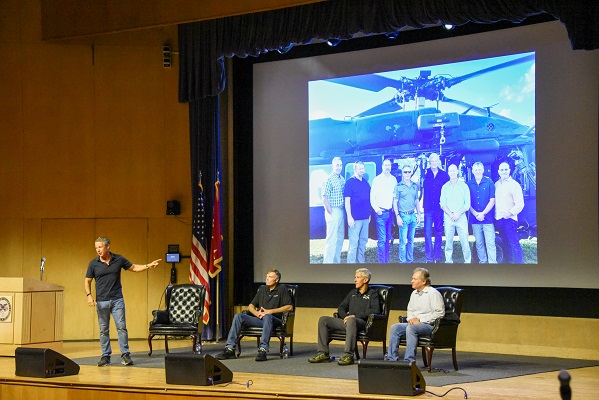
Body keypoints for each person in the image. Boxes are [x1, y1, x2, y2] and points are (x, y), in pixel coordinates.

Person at [84, 237, 161, 367]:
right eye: (96, 247)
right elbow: (87, 280)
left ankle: (125, 355)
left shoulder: (118, 259)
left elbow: (134, 268)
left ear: (108, 247)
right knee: (104, 330)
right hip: (101, 301)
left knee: (121, 327)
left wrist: (148, 265)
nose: (98, 250)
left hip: (117, 300)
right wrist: (89, 295)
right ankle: (105, 356)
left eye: (100, 247)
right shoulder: (93, 264)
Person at [215, 269, 293, 362]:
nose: (267, 279)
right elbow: (251, 306)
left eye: (270, 277)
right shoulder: (262, 289)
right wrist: (257, 313)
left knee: (267, 317)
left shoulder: (282, 288)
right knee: (238, 316)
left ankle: (263, 350)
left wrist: (270, 312)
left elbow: (289, 307)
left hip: (275, 320)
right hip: (260, 319)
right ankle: (230, 349)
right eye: (267, 276)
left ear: (276, 280)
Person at [308, 268, 380, 366]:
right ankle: (323, 353)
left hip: (362, 323)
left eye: (358, 277)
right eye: (355, 277)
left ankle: (348, 355)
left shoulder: (372, 294)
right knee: (323, 320)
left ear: (365, 280)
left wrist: (354, 316)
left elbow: (375, 310)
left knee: (351, 320)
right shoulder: (353, 293)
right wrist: (346, 316)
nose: (355, 280)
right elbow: (341, 307)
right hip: (348, 322)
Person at [387, 268, 445, 362]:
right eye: (412, 278)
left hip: (429, 325)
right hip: (414, 323)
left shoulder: (433, 293)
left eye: (414, 279)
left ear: (423, 281)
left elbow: (439, 313)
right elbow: (410, 310)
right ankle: (392, 359)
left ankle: (409, 361)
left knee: (411, 328)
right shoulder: (414, 293)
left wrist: (420, 320)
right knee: (395, 327)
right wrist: (410, 319)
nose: (412, 281)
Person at [440, 164, 471, 263]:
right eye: (450, 171)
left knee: (465, 242)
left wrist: (458, 213)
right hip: (449, 218)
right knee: (448, 243)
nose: (452, 173)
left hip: (461, 217)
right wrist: (451, 214)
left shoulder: (464, 186)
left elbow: (467, 204)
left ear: (457, 171)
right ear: (448, 173)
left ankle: (467, 261)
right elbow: (442, 204)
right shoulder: (445, 187)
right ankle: (448, 262)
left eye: (454, 171)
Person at [495, 162, 525, 263]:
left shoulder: (514, 185)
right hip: (499, 220)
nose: (504, 172)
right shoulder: (497, 184)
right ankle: (509, 264)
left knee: (514, 244)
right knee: (506, 243)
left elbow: (520, 204)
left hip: (510, 220)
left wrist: (510, 213)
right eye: (502, 170)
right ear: (498, 171)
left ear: (509, 170)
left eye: (506, 169)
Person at [467, 162, 497, 263]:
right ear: (473, 171)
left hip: (487, 219)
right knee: (479, 243)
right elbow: (467, 203)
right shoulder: (469, 184)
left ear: (483, 170)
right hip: (475, 219)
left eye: (479, 170)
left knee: (490, 243)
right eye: (476, 170)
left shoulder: (489, 182)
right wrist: (476, 214)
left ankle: (493, 264)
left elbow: (492, 200)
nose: (478, 172)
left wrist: (483, 213)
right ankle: (483, 262)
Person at [422, 153, 449, 263]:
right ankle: (429, 257)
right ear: (430, 163)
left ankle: (437, 256)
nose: (434, 163)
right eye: (432, 161)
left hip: (439, 208)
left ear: (438, 162)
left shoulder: (444, 175)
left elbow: (447, 191)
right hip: (428, 208)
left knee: (438, 232)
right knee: (427, 232)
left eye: (435, 161)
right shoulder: (425, 173)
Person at [370, 158, 397, 263]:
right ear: (382, 167)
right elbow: (372, 197)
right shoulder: (377, 180)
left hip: (390, 213)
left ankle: (386, 261)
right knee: (382, 240)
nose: (387, 167)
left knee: (387, 240)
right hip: (381, 213)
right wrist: (377, 210)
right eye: (385, 165)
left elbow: (395, 196)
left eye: (389, 165)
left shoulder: (393, 180)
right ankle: (382, 263)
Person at [344, 161, 371, 263]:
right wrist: (349, 217)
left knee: (363, 243)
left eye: (363, 168)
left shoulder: (365, 182)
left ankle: (360, 264)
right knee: (353, 245)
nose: (362, 170)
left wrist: (369, 214)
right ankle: (350, 266)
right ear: (355, 170)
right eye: (360, 169)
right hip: (354, 219)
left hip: (365, 218)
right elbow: (347, 201)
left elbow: (368, 199)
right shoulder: (350, 183)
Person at [393, 164, 421, 263]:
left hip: (412, 216)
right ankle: (403, 262)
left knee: (411, 241)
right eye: (405, 172)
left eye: (409, 172)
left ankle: (410, 261)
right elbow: (395, 202)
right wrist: (397, 216)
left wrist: (418, 214)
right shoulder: (398, 186)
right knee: (403, 242)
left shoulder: (414, 186)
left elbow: (416, 200)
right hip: (403, 216)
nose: (407, 174)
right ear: (402, 174)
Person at [322, 157, 346, 263]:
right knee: (331, 239)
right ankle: (328, 263)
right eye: (337, 165)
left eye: (340, 165)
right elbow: (324, 198)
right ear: (333, 166)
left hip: (341, 211)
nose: (339, 167)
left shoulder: (342, 179)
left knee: (340, 238)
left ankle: (336, 262)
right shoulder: (329, 179)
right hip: (333, 211)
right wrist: (330, 212)